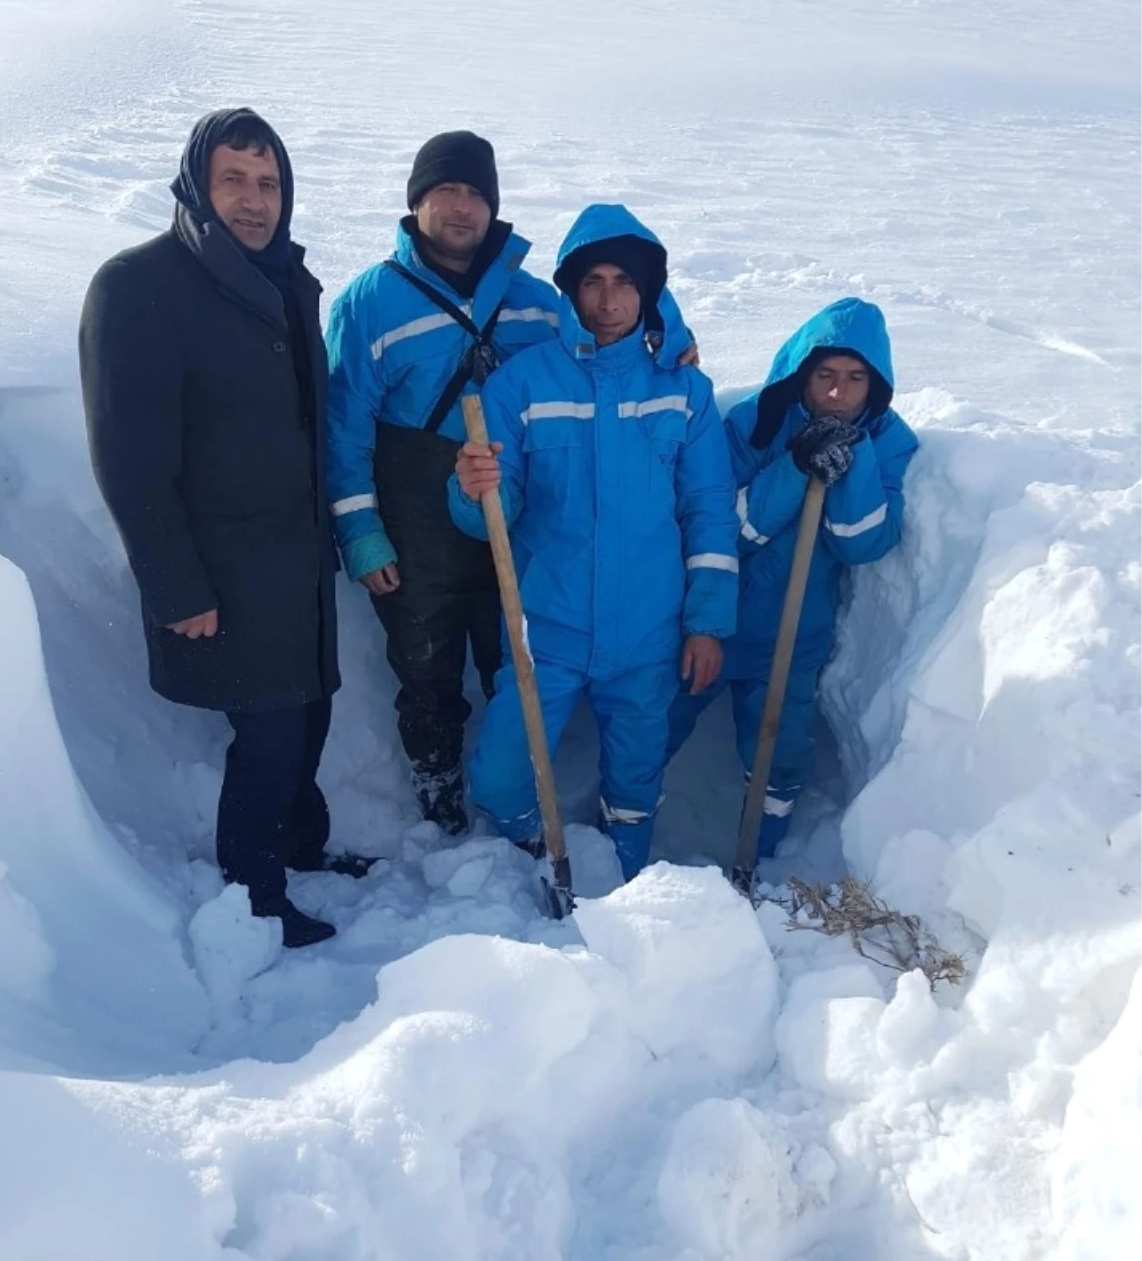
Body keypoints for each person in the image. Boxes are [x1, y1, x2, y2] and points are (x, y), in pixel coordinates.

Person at [79, 107, 371, 951]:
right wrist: (176, 585)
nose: (254, 201)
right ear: (197, 185)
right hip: (223, 570)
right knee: (270, 733)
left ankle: (296, 844)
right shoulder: (138, 286)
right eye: (234, 180)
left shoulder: (288, 282)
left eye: (269, 182)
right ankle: (253, 894)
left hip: (296, 564)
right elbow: (129, 460)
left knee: (310, 712)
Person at [449, 204, 739, 881]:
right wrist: (473, 489)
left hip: (648, 635)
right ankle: (531, 860)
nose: (608, 300)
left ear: (648, 292)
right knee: (500, 777)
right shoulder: (521, 384)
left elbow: (709, 515)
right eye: (592, 282)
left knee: (636, 780)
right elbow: (492, 516)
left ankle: (627, 877)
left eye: (624, 282)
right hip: (543, 629)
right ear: (570, 291)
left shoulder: (685, 394)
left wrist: (707, 624)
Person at [325, 131, 561, 835]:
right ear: (416, 201)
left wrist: (669, 339)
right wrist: (361, 533)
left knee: (512, 662)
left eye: (474, 194)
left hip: (509, 513)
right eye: (444, 192)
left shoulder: (537, 303)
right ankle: (439, 795)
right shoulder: (370, 301)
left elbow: (610, 337)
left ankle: (515, 792)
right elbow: (343, 426)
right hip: (412, 520)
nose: (460, 208)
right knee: (427, 669)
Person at [667, 296, 919, 860]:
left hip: (795, 634)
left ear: (875, 386)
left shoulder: (890, 442)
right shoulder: (751, 422)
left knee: (779, 754)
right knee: (650, 733)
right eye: (826, 374)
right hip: (710, 623)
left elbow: (861, 543)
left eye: (856, 378)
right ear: (801, 373)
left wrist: (849, 466)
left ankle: (759, 857)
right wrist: (794, 466)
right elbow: (724, 530)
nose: (838, 391)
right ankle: (625, 834)